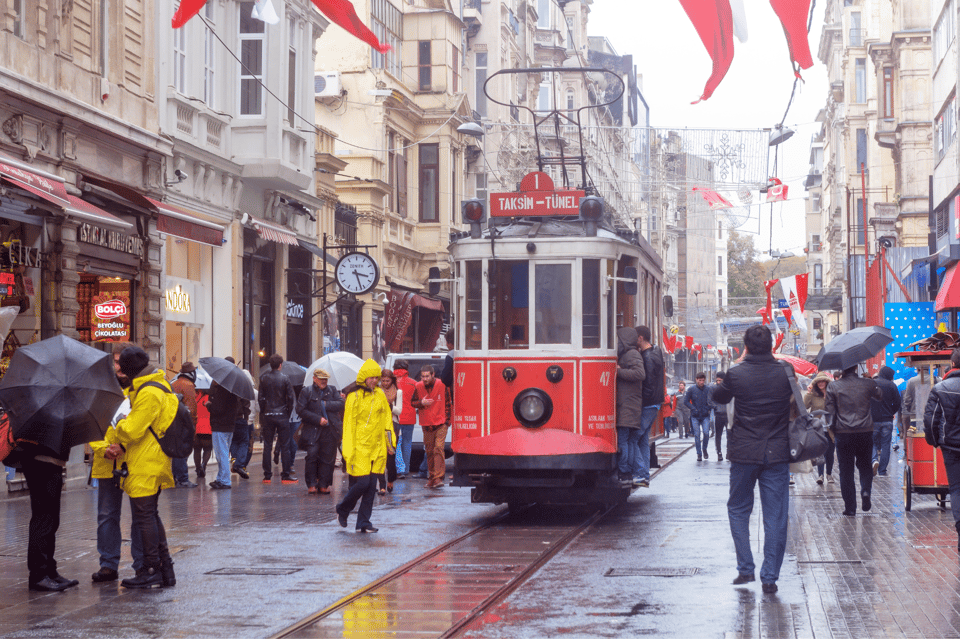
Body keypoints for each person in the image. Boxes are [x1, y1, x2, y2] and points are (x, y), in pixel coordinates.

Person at [712, 324, 794, 595]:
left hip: (744, 452)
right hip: (777, 452)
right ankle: (769, 577)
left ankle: (745, 568)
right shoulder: (786, 372)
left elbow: (718, 396)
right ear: (771, 344)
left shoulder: (735, 374)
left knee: (738, 508)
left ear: (745, 346)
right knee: (776, 516)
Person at [104, 346, 178, 588]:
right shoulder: (158, 385)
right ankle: (165, 568)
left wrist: (121, 424)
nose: (118, 370)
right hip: (152, 458)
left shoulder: (148, 392)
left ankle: (150, 570)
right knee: (151, 515)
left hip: (146, 460)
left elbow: (134, 429)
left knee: (145, 517)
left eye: (121, 366)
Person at [89, 343, 143, 584]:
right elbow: (91, 425)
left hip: (133, 462)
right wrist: (103, 449)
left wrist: (123, 447)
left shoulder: (141, 392)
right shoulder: (100, 392)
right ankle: (108, 564)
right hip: (105, 462)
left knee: (140, 514)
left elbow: (146, 427)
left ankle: (141, 563)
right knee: (106, 515)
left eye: (122, 361)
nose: (119, 367)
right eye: (116, 361)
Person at [336, 359, 394, 532]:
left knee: (371, 487)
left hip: (376, 447)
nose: (374, 381)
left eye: (376, 378)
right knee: (362, 483)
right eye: (371, 378)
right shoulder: (353, 397)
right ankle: (343, 508)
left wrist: (390, 444)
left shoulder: (380, 395)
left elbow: (387, 421)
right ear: (364, 377)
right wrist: (348, 451)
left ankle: (363, 522)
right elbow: (348, 426)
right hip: (359, 447)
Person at [825, 364, 882, 517]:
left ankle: (850, 507)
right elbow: (879, 395)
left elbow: (829, 412)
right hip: (864, 431)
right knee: (865, 465)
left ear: (842, 370)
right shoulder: (868, 383)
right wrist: (871, 381)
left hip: (843, 432)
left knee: (846, 470)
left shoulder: (833, 387)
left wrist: (831, 427)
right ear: (856, 367)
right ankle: (865, 491)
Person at [923, 349, 960, 550]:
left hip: (951, 446)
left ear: (952, 365)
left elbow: (931, 419)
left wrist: (934, 441)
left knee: (956, 488)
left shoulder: (941, 388)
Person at [297, 368, 344, 495]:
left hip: (330, 430)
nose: (324, 381)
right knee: (312, 455)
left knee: (328, 458)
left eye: (325, 379)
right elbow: (300, 410)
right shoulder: (306, 392)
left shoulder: (332, 390)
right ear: (314, 379)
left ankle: (324, 484)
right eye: (321, 379)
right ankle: (312, 484)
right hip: (313, 429)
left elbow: (341, 404)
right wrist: (318, 419)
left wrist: (325, 405)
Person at [258, 353, 297, 484]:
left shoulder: (264, 378)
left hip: (268, 414)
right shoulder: (285, 379)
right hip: (282, 415)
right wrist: (288, 411)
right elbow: (291, 399)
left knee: (267, 445)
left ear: (271, 364)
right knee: (285, 445)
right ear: (280, 365)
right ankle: (285, 474)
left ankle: (267, 475)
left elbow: (261, 398)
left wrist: (264, 411)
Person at [411, 364, 451, 489]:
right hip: (426, 424)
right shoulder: (418, 386)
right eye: (423, 376)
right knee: (429, 451)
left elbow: (448, 403)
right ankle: (432, 477)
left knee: (438, 448)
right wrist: (421, 403)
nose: (425, 379)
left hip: (440, 422)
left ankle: (438, 477)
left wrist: (447, 422)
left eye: (427, 376)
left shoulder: (442, 385)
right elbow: (413, 403)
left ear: (433, 375)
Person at [615, 327, 646, 484]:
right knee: (626, 441)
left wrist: (618, 372)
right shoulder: (628, 354)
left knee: (624, 441)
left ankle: (625, 472)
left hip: (628, 406)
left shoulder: (632, 354)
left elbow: (640, 374)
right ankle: (631, 472)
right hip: (627, 405)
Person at [635, 325, 663, 487]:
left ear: (640, 338)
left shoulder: (647, 357)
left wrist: (641, 402)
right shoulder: (655, 352)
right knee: (643, 440)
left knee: (633, 439)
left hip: (648, 404)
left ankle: (642, 473)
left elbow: (649, 384)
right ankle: (643, 474)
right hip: (654, 404)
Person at [205, 374, 241, 490]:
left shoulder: (221, 391)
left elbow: (218, 409)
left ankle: (225, 480)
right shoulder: (233, 391)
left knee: (222, 454)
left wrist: (209, 405)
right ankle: (221, 478)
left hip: (220, 426)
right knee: (223, 453)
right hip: (229, 425)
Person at [169, 362, 199, 488]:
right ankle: (183, 478)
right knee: (182, 451)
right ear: (191, 373)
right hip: (184, 423)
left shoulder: (174, 384)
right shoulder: (188, 385)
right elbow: (191, 409)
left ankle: (175, 477)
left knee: (175, 450)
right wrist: (193, 424)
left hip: (172, 422)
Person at [870, 366, 901, 476]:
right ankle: (882, 470)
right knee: (886, 445)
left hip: (873, 419)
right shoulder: (891, 385)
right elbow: (898, 402)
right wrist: (891, 412)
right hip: (887, 420)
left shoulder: (872, 384)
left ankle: (874, 460)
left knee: (872, 442)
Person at [805, 372, 835, 484]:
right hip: (818, 428)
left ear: (826, 382)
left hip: (830, 428)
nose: (821, 383)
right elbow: (804, 406)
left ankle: (829, 474)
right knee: (820, 452)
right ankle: (821, 475)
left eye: (823, 381)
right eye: (819, 382)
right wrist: (808, 392)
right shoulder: (813, 395)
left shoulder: (832, 394)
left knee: (830, 452)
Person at [378, 370, 401, 494]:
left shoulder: (398, 392)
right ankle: (382, 485)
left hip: (393, 424)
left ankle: (390, 480)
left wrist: (388, 406)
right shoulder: (377, 391)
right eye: (383, 380)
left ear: (392, 380)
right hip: (379, 424)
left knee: (390, 454)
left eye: (388, 380)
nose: (385, 383)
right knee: (379, 455)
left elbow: (399, 411)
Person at [394, 360, 418, 479]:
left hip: (395, 417)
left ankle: (398, 469)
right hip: (409, 417)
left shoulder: (391, 382)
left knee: (395, 444)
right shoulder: (413, 383)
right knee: (407, 444)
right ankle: (406, 469)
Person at [684, 372, 713, 461]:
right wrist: (693, 408)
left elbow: (712, 401)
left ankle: (704, 449)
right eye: (700, 380)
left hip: (705, 415)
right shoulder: (691, 389)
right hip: (695, 416)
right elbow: (686, 401)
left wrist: (707, 408)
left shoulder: (708, 389)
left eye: (703, 380)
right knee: (697, 435)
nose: (701, 382)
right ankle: (699, 453)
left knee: (706, 433)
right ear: (696, 380)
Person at [193, 388, 213, 481]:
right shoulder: (210, 398)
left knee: (197, 450)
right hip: (208, 428)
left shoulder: (195, 397)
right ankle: (203, 465)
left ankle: (198, 469)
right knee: (207, 449)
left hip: (196, 428)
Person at [711, 371, 729, 461]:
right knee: (718, 435)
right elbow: (711, 400)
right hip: (718, 414)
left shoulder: (729, 388)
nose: (718, 382)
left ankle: (728, 452)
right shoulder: (714, 388)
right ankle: (719, 452)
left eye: (720, 380)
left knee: (730, 435)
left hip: (728, 415)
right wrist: (715, 407)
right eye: (717, 380)